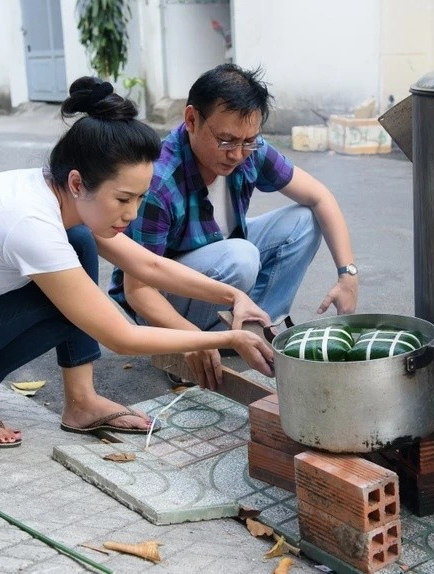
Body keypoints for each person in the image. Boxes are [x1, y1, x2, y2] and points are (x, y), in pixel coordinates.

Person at [0, 77, 274, 449]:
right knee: (69, 297)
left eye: (140, 198)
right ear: (78, 182)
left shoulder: (53, 194)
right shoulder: (31, 224)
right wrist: (225, 339)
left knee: (79, 244)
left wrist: (234, 296)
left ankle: (82, 402)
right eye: (123, 199)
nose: (131, 214)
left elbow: (149, 267)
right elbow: (119, 336)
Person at [109, 64, 358, 387]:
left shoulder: (249, 150)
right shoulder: (159, 180)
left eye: (249, 141)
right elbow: (138, 291)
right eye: (226, 141)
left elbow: (320, 197)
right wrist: (190, 339)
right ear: (191, 120)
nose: (238, 154)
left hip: (219, 261)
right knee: (240, 256)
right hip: (161, 301)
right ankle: (189, 347)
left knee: (304, 220)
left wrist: (348, 274)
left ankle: (255, 330)